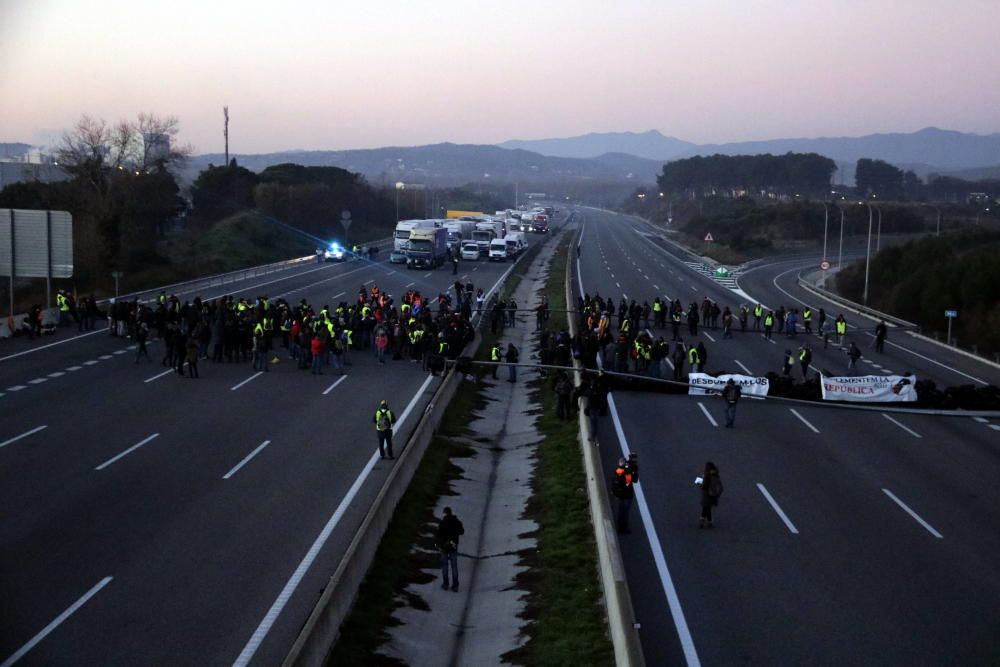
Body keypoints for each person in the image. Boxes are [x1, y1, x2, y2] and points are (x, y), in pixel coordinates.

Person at [438, 507, 465, 592]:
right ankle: (455, 585)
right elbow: (462, 532)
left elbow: (438, 534)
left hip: (444, 546)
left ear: (445, 513)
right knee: (454, 566)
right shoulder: (457, 522)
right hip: (453, 545)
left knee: (445, 566)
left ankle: (446, 584)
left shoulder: (442, 522)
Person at [612, 455, 638, 533]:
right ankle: (623, 528)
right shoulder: (627, 473)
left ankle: (620, 526)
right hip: (627, 494)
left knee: (621, 510)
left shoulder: (618, 471)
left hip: (620, 494)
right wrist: (634, 471)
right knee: (625, 512)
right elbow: (634, 480)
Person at [698, 461, 723, 528]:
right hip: (713, 494)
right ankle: (709, 522)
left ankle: (703, 522)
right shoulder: (716, 475)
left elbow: (704, 486)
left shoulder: (707, 475)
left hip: (707, 495)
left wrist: (699, 484)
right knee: (708, 508)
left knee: (705, 508)